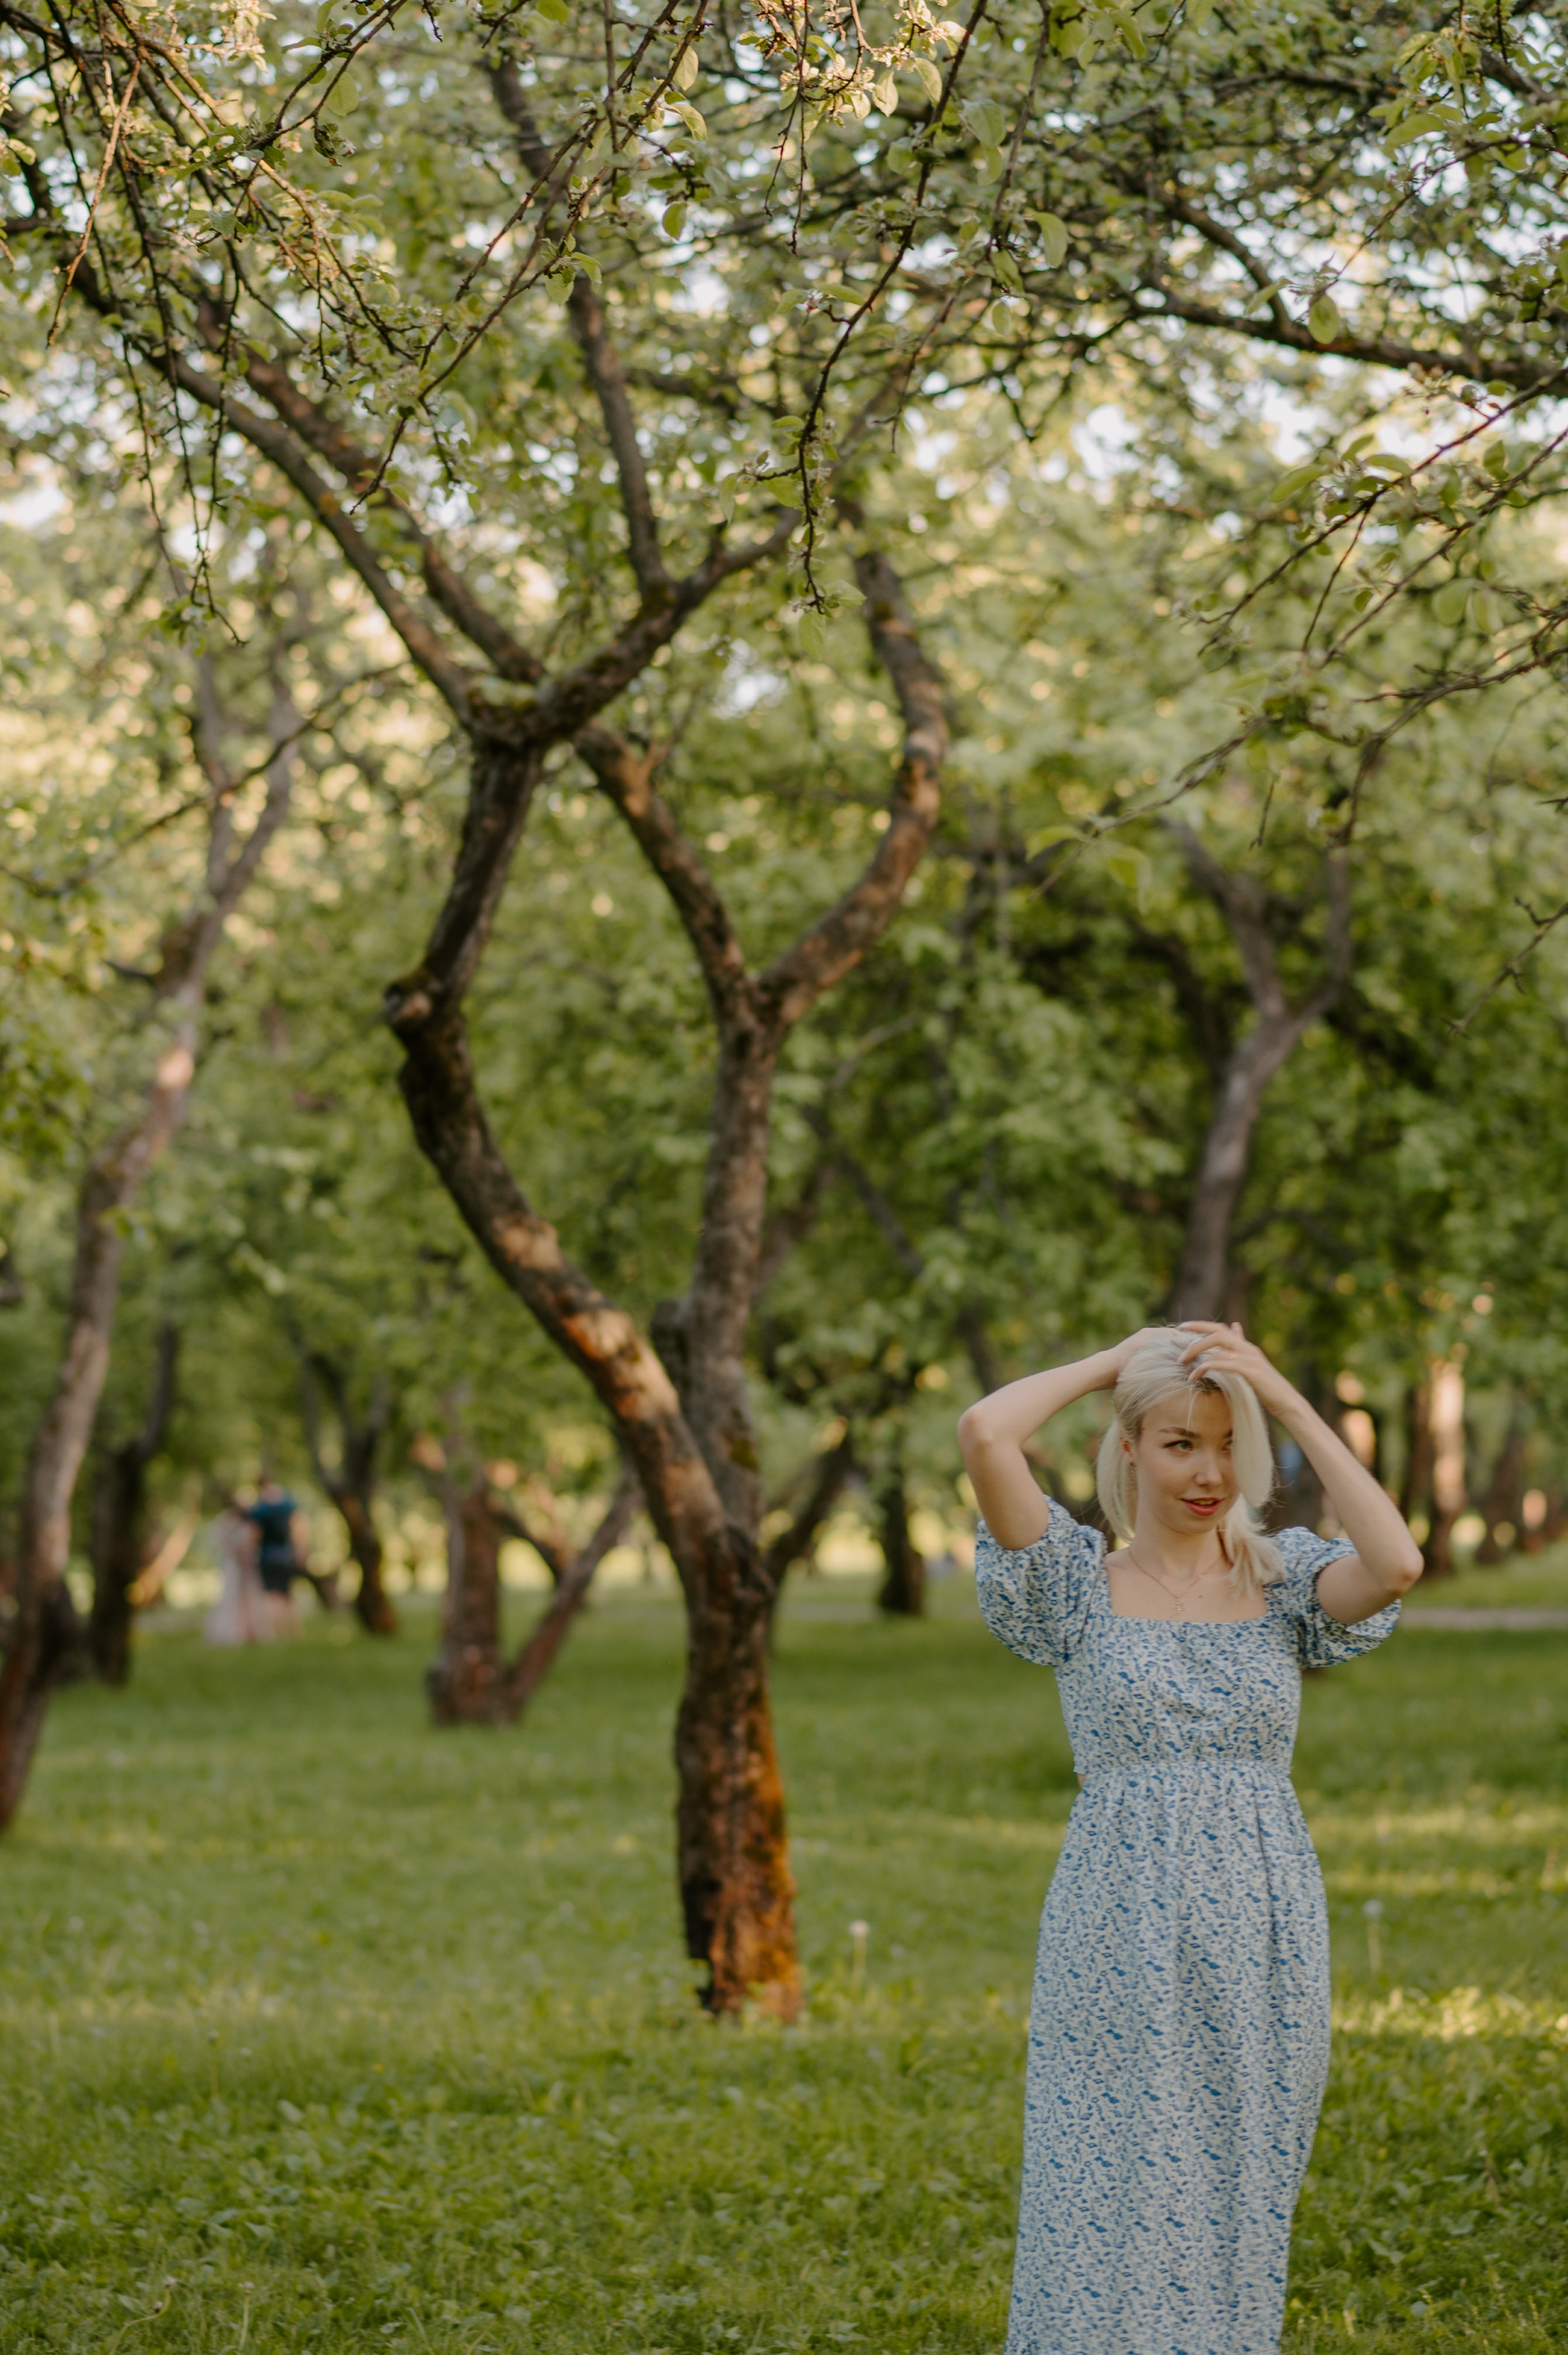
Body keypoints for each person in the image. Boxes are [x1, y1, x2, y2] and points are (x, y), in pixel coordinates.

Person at [958, 1321, 1423, 2355]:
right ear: (1128, 1446)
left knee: (1233, 2178)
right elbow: (987, 1429)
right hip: (1118, 1921)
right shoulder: (1076, 1582)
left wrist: (1290, 1399)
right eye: (1179, 1442)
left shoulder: (1284, 1581)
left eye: (1227, 1443)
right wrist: (1117, 1357)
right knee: (1108, 2184)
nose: (1210, 1470)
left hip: (1261, 1923)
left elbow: (1395, 1562)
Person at [205, 1498, 273, 1646]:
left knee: (251, 1596)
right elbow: (223, 1541)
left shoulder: (249, 1525)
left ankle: (252, 1631)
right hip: (234, 1566)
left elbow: (253, 1544)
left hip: (247, 1565)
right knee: (232, 1595)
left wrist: (247, 1555)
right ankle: (232, 1631)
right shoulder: (227, 1524)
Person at [246, 1478, 307, 1636]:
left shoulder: (261, 1510)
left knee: (274, 1596)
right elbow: (299, 1529)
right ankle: (296, 1633)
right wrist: (300, 1551)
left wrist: (249, 1552)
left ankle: (280, 1634)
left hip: (268, 1555)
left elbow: (255, 1535)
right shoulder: (289, 1505)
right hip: (287, 1555)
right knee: (288, 1595)